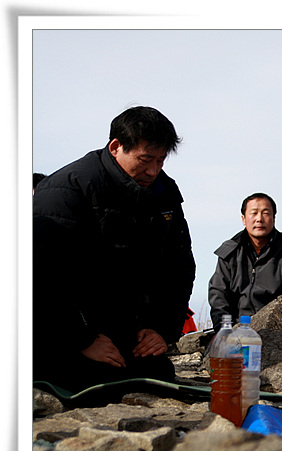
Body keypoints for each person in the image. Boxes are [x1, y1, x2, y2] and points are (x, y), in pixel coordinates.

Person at [33, 106, 196, 392]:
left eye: (160, 161)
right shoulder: (67, 189)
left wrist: (161, 329)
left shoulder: (164, 191)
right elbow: (44, 273)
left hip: (125, 328)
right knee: (83, 380)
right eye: (146, 159)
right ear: (116, 147)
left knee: (157, 375)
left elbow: (179, 265)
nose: (153, 170)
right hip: (67, 327)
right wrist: (82, 339)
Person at [208, 192, 282, 327]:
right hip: (237, 329)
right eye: (254, 213)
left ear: (274, 219)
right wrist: (224, 330)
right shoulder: (230, 252)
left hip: (277, 330)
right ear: (244, 219)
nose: (259, 219)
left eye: (265, 213)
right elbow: (218, 294)